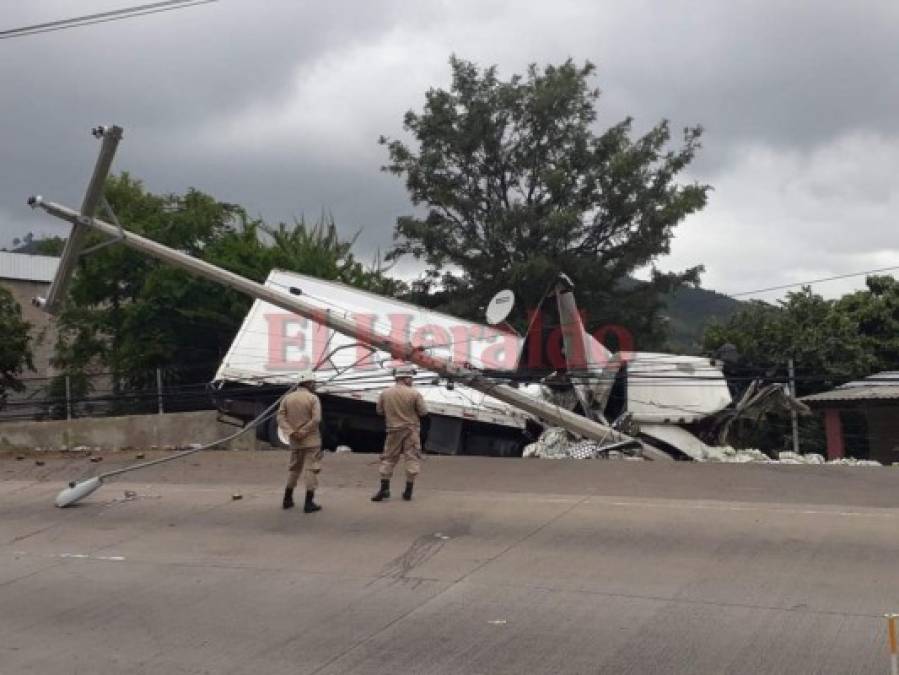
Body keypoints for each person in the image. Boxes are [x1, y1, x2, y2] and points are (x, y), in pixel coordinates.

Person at [371, 364, 428, 502]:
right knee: (411, 458)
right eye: (411, 378)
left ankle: (384, 489)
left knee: (389, 458)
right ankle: (408, 491)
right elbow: (423, 412)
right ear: (405, 378)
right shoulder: (414, 393)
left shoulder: (385, 393)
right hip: (411, 431)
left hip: (393, 431)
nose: (412, 381)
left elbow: (379, 411)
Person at [277, 370, 323, 513]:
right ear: (308, 383)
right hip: (311, 441)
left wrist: (291, 432)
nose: (314, 385)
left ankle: (287, 499)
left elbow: (280, 418)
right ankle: (309, 503)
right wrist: (303, 432)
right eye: (313, 382)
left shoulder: (287, 398)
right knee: (311, 469)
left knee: (294, 469)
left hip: (295, 441)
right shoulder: (313, 398)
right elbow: (316, 419)